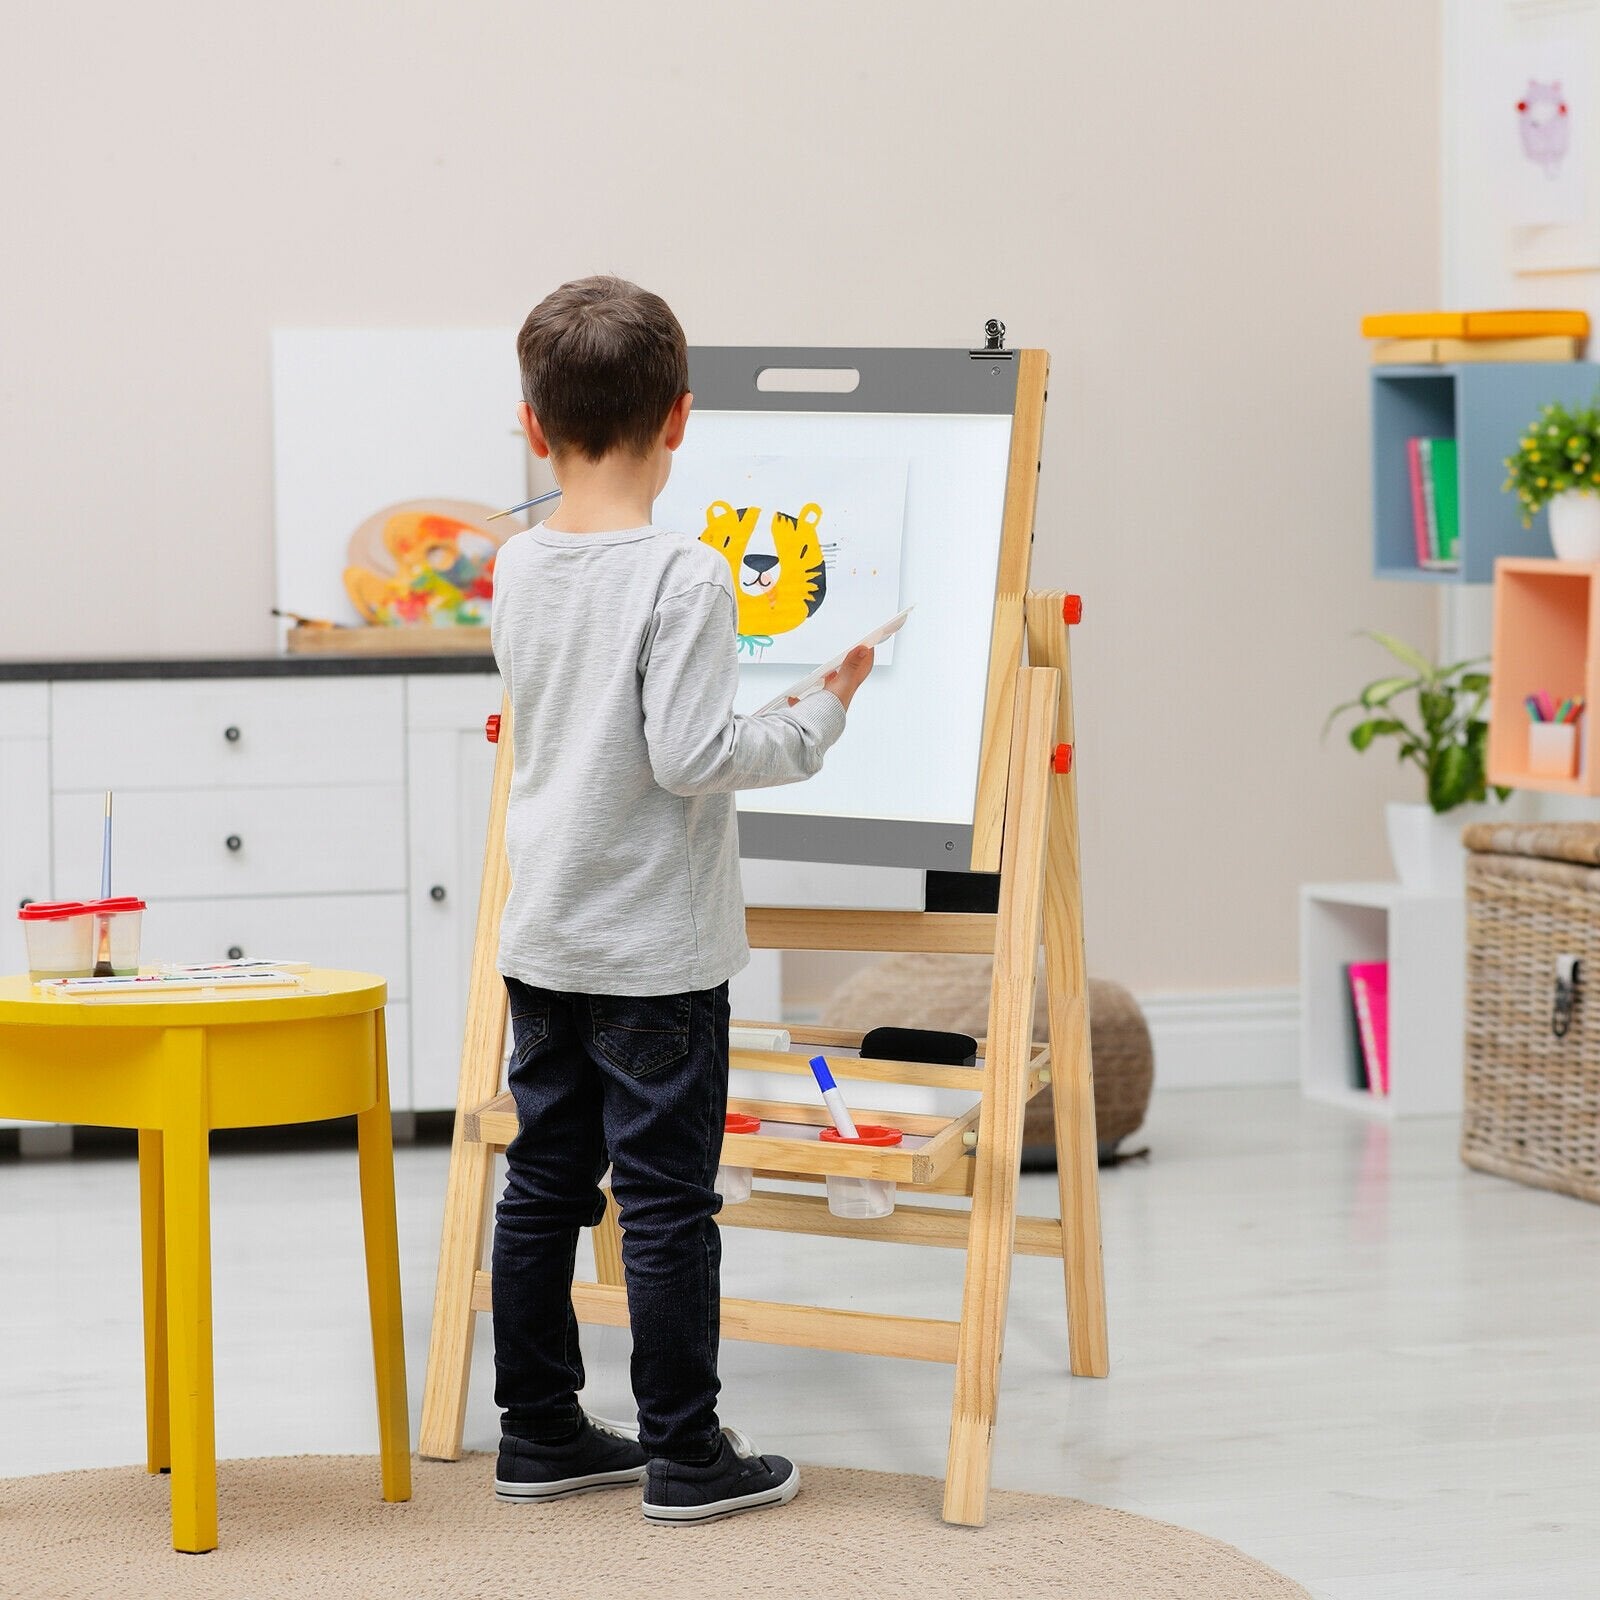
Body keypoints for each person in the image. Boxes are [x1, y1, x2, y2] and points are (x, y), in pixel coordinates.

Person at [488, 275, 872, 1523]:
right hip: (654, 950)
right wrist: (815, 716)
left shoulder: (516, 561)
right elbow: (688, 756)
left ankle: (540, 1428)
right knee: (663, 1201)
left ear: (534, 425)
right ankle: (687, 1454)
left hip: (545, 933)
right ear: (682, 416)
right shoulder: (689, 575)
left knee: (544, 1185)